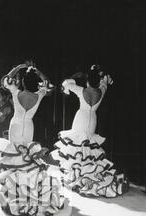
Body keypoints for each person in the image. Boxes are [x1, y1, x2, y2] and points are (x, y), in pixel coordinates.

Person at [0, 62, 71, 216]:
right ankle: (27, 190)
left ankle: (13, 191)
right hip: (29, 126)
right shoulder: (39, 94)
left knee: (14, 156)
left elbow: (5, 80)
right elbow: (49, 84)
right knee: (27, 157)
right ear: (35, 83)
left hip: (16, 125)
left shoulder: (16, 92)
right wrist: (38, 71)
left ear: (23, 82)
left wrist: (19, 67)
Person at [51, 66, 129, 198]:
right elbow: (105, 82)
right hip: (92, 119)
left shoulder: (82, 90)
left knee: (77, 146)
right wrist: (100, 76)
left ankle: (78, 174)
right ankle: (88, 171)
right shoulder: (101, 91)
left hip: (81, 117)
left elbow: (65, 83)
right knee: (88, 147)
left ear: (87, 80)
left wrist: (78, 76)